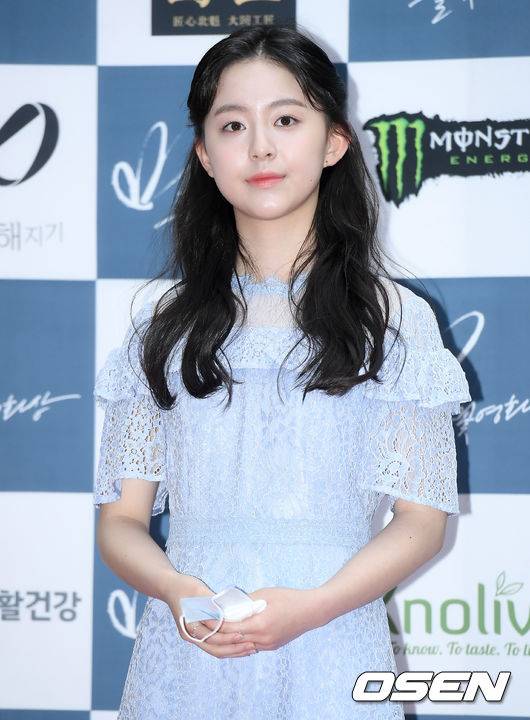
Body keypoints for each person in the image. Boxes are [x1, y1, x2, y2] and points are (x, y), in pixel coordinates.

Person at [93, 23, 471, 720]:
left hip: (334, 640)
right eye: (233, 125)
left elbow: (421, 521)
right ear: (205, 156)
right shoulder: (162, 325)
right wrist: (175, 590)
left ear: (334, 141)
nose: (260, 147)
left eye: (287, 120)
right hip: (194, 650)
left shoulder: (395, 320)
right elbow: (120, 521)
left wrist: (315, 606)